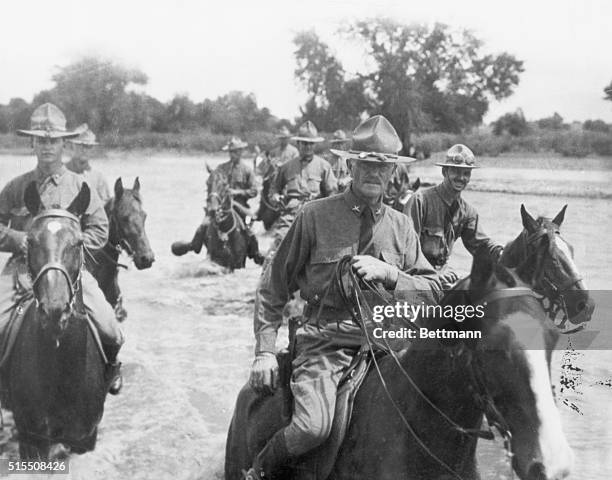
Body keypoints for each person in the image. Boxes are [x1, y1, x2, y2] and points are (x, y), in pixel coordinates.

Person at [244, 115, 440, 479]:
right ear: (350, 165)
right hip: (325, 346)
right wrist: (266, 351)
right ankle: (257, 473)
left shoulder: (402, 226)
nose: (373, 173)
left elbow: (433, 291)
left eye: (382, 166)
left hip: (389, 347)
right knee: (312, 428)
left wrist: (392, 274)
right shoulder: (314, 216)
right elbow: (274, 288)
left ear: (393, 173)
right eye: (365, 163)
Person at [0, 103, 123, 394]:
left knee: (110, 328)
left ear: (64, 143)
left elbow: (99, 229)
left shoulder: (80, 187)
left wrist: (72, 248)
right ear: (32, 142)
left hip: (69, 274)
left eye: (53, 140)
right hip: (21, 271)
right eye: (41, 140)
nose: (47, 147)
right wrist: (18, 239)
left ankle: (108, 372)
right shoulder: (15, 187)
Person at [403, 144, 503, 288]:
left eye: (466, 173)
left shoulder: (468, 212)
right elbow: (407, 248)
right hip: (414, 277)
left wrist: (502, 252)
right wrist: (433, 275)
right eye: (456, 171)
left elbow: (481, 245)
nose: (461, 178)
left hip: (443, 276)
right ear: (444, 172)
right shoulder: (420, 201)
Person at [171, 137, 264, 264]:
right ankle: (194, 245)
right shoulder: (221, 168)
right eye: (231, 152)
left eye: (236, 151)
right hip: (220, 205)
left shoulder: (247, 170)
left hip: (240, 205)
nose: (234, 154)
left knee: (249, 226)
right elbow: (213, 185)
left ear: (241, 152)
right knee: (204, 224)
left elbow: (254, 191)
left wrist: (237, 192)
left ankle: (255, 253)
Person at [268, 121, 337, 245]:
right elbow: (274, 189)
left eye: (311, 143)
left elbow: (332, 193)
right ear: (298, 143)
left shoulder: (324, 166)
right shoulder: (287, 167)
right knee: (277, 246)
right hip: (291, 215)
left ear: (315, 145)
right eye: (304, 143)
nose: (308, 147)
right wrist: (276, 197)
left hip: (316, 215)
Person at [65, 124, 111, 204]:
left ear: (93, 150)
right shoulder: (61, 172)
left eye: (88, 147)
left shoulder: (98, 178)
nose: (84, 150)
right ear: (72, 146)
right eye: (81, 145)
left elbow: (105, 207)